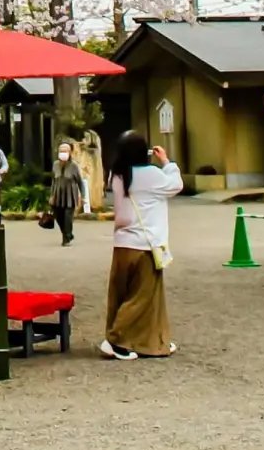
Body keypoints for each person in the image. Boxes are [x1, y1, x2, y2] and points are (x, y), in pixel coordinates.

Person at [101, 130, 183, 361]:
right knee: (144, 297)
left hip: (122, 244)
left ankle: (149, 341)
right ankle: (115, 340)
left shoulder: (117, 176)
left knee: (121, 294)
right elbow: (176, 185)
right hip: (146, 245)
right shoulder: (152, 174)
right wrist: (166, 161)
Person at [48, 137, 91, 246]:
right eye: (61, 151)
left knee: (67, 218)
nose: (63, 153)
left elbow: (80, 182)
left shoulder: (74, 166)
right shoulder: (55, 164)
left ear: (70, 152)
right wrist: (51, 195)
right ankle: (67, 234)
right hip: (57, 196)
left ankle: (66, 237)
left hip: (70, 197)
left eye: (65, 151)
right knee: (59, 217)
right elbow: (53, 180)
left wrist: (84, 197)